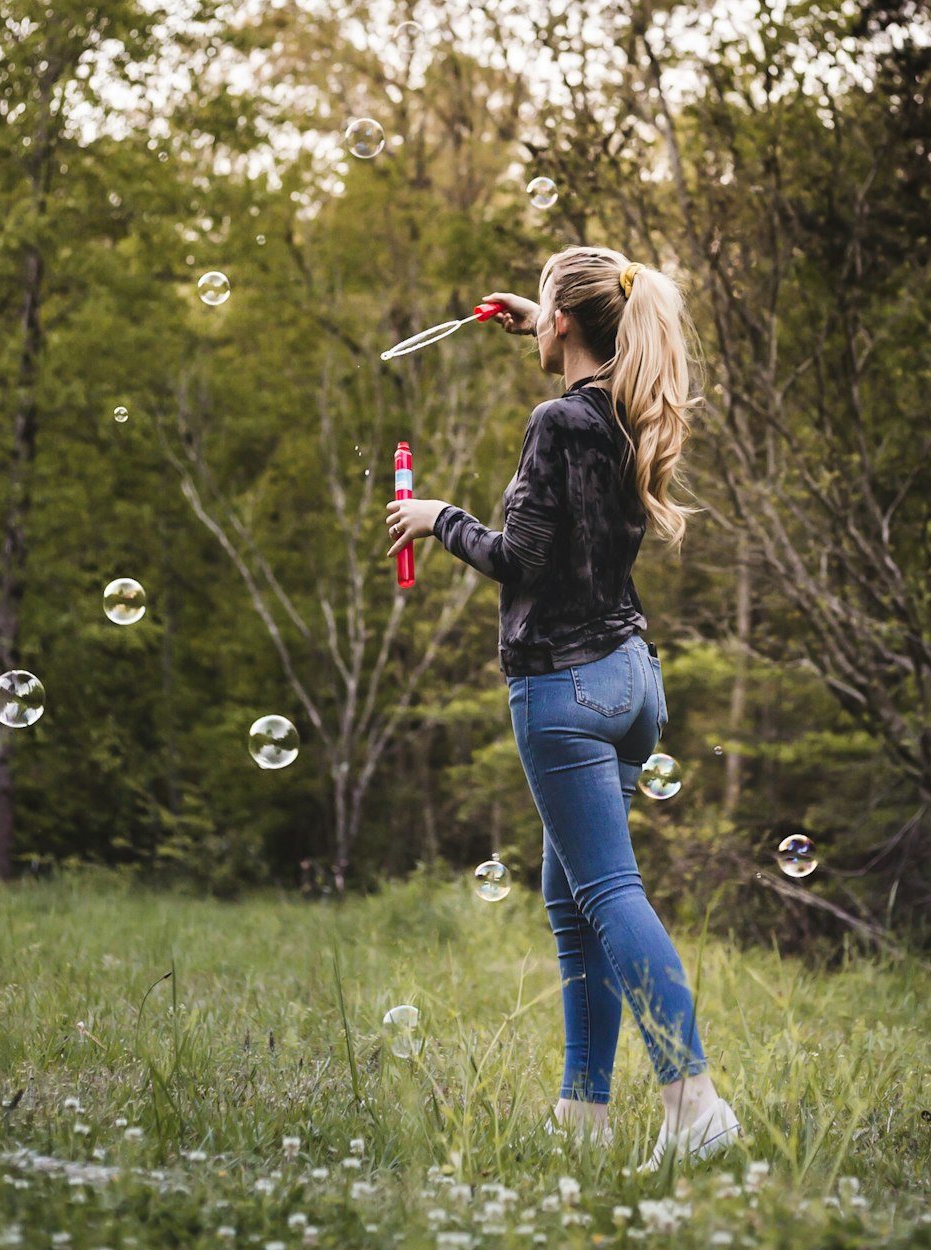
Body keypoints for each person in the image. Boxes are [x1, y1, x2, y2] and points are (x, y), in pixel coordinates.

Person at [385, 246, 741, 1171]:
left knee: (608, 892)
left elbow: (522, 560)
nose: (535, 322)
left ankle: (695, 1106)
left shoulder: (557, 423)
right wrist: (536, 317)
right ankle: (582, 1114)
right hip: (632, 682)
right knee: (570, 895)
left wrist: (440, 518)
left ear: (568, 325)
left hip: (564, 688)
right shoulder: (624, 410)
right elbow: (586, 365)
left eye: (546, 311)